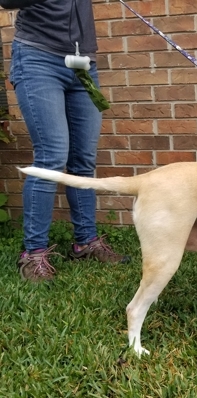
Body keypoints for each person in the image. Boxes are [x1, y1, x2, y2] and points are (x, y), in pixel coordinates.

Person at [0, 0, 129, 282]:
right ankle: (33, 254)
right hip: (38, 58)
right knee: (51, 157)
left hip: (83, 64)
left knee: (84, 159)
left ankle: (85, 242)